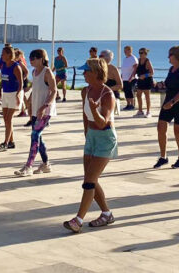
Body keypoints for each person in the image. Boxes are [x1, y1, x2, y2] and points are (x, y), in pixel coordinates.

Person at [63, 58, 117, 233]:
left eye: (86, 71)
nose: (83, 73)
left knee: (89, 181)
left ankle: (78, 220)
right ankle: (107, 214)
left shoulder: (107, 94)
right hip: (92, 137)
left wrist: (95, 110)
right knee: (90, 179)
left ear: (95, 72)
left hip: (105, 138)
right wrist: (86, 132)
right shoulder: (85, 91)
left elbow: (103, 123)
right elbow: (85, 115)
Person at [15, 49, 57, 177]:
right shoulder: (34, 72)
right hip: (35, 110)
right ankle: (46, 164)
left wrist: (44, 107)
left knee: (35, 135)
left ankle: (28, 166)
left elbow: (54, 91)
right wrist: (29, 102)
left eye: (33, 58)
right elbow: (36, 89)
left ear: (41, 58)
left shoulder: (47, 72)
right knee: (38, 137)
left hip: (45, 110)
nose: (31, 60)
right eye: (30, 57)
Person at [154, 46, 179, 169]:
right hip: (168, 102)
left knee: (177, 131)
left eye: (170, 55)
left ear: (176, 56)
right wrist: (159, 84)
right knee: (161, 127)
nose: (168, 57)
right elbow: (168, 84)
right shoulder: (171, 69)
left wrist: (173, 102)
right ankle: (163, 157)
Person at [0, 46, 23, 151]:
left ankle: (6, 143)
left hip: (14, 93)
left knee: (8, 119)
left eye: (3, 53)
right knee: (5, 119)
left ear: (8, 54)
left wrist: (18, 94)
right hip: (6, 93)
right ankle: (11, 141)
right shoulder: (3, 66)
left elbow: (21, 82)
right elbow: (3, 80)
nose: (1, 56)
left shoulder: (16, 67)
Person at [133, 48, 154, 118]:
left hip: (147, 81)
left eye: (142, 53)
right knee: (138, 95)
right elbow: (136, 70)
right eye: (139, 53)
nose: (140, 54)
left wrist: (145, 75)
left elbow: (152, 72)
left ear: (145, 54)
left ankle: (148, 112)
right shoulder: (138, 60)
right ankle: (140, 111)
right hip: (140, 81)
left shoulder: (147, 61)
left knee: (147, 96)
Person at [120, 46, 138, 111]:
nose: (125, 52)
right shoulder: (125, 59)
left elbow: (136, 68)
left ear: (130, 51)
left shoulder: (133, 58)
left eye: (126, 50)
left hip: (131, 78)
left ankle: (132, 105)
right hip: (125, 78)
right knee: (126, 91)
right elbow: (124, 69)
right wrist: (121, 76)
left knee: (130, 91)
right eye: (124, 50)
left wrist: (132, 76)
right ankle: (128, 104)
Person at [15, 49, 30, 118]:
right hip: (19, 80)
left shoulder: (20, 62)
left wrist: (22, 79)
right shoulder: (16, 62)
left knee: (22, 95)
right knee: (22, 96)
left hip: (23, 80)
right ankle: (25, 109)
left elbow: (27, 72)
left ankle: (25, 110)